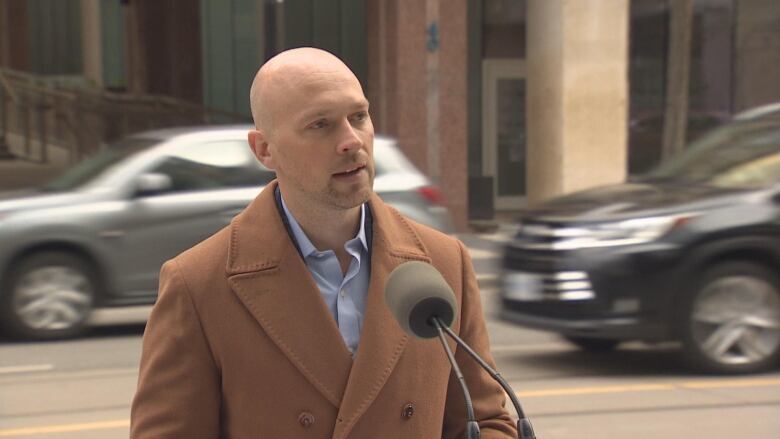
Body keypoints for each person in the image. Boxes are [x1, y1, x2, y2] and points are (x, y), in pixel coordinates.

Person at [130, 47, 516, 438]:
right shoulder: (198, 284)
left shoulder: (443, 262)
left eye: (359, 116)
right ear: (264, 149)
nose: (352, 141)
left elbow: (487, 421)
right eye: (320, 125)